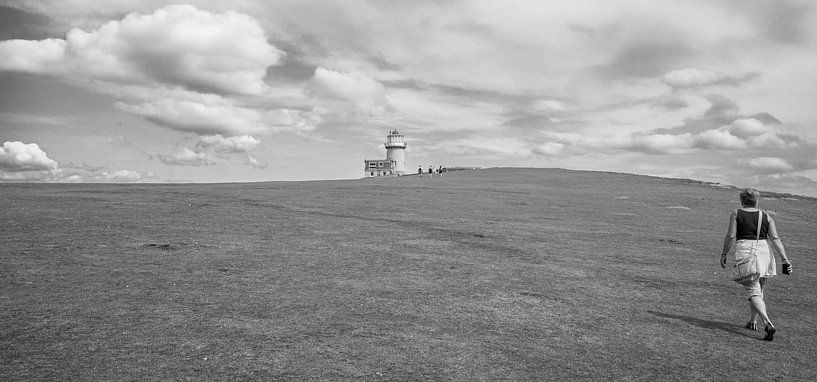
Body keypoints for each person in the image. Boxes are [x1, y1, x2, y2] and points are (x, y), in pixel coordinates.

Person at [720, 188, 793, 341]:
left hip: (746, 250)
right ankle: (753, 321)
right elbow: (775, 238)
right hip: (764, 251)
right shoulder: (766, 216)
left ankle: (768, 323)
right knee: (759, 288)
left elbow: (731, 235)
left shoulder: (736, 214)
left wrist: (724, 253)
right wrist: (785, 259)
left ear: (742, 200)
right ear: (756, 201)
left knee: (753, 289)